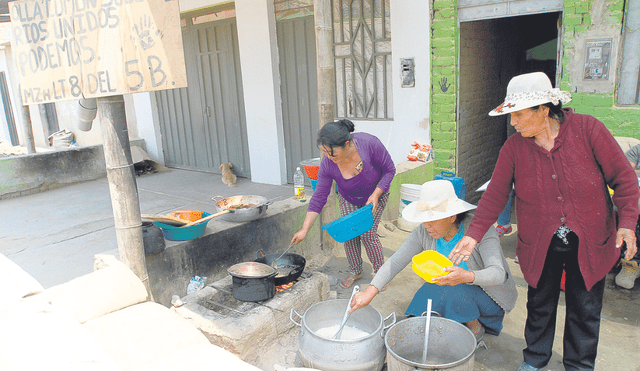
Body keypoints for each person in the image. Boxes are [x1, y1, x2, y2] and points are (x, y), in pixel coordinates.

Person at [449, 72, 639, 371]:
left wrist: (627, 222)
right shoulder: (514, 148)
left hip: (591, 240)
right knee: (540, 305)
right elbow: (495, 195)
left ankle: (579, 365)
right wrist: (472, 235)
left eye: (519, 114)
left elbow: (625, 179)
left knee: (585, 308)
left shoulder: (588, 130)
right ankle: (535, 360)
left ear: (544, 109)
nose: (513, 122)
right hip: (540, 243)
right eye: (511, 115)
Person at [347, 180, 518, 342]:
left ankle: (475, 328)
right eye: (424, 220)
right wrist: (369, 292)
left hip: (487, 298)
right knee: (423, 302)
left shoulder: (481, 231)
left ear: (451, 216)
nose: (426, 226)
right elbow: (397, 261)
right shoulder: (424, 231)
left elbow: (498, 274)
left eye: (432, 220)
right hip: (450, 290)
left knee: (454, 291)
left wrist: (466, 276)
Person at [290, 119, 396, 289]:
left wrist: (376, 194)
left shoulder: (369, 144)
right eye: (325, 152)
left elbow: (390, 170)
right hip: (349, 197)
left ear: (347, 145)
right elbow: (319, 197)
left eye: (333, 153)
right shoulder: (327, 163)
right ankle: (355, 270)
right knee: (349, 233)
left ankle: (380, 272)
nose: (329, 157)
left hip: (377, 194)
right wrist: (304, 229)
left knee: (368, 235)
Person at [614, 143, 640, 289]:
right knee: (630, 215)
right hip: (636, 203)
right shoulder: (637, 150)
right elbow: (625, 174)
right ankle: (631, 264)